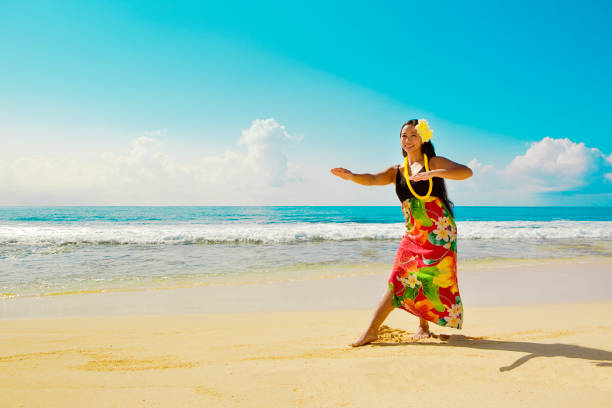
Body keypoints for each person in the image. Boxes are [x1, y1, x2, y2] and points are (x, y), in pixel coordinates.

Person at [330, 119, 473, 347]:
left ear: (423, 138)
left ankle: (414, 327)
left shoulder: (433, 161)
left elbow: (466, 172)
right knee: (401, 276)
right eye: (404, 136)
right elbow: (373, 179)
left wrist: (433, 173)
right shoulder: (397, 171)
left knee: (425, 277)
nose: (408, 140)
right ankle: (373, 331)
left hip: (439, 232)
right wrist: (352, 176)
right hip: (414, 233)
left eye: (414, 135)